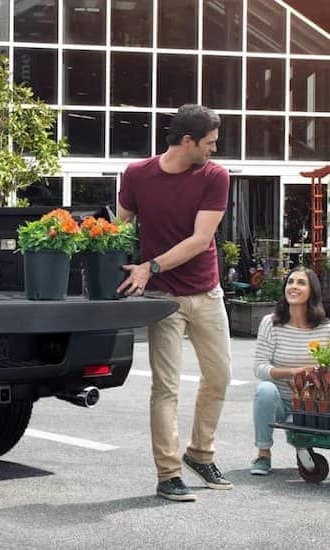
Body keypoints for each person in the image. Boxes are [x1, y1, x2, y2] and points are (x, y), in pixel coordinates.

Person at [116, 104, 232, 502]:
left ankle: (200, 453)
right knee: (166, 388)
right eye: (210, 143)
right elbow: (120, 226)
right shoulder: (136, 175)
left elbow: (201, 240)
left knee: (219, 378)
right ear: (187, 141)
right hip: (162, 299)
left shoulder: (215, 176)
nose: (214, 150)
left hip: (206, 292)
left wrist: (150, 265)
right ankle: (168, 474)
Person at [250, 267, 329, 475]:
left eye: (301, 283)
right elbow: (259, 367)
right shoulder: (271, 323)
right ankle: (263, 453)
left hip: (311, 404)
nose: (293, 287)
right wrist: (294, 372)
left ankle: (303, 443)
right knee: (265, 390)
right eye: (290, 282)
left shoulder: (325, 327)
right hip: (281, 402)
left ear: (313, 291)